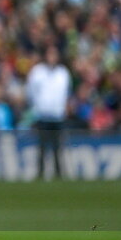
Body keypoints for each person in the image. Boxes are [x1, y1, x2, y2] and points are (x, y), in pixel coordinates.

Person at [26, 45, 71, 179]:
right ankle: (40, 172)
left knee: (58, 147)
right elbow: (30, 92)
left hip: (58, 115)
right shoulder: (37, 72)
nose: (52, 58)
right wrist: (38, 106)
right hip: (43, 115)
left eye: (54, 54)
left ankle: (58, 173)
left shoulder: (63, 73)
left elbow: (66, 93)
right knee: (42, 147)